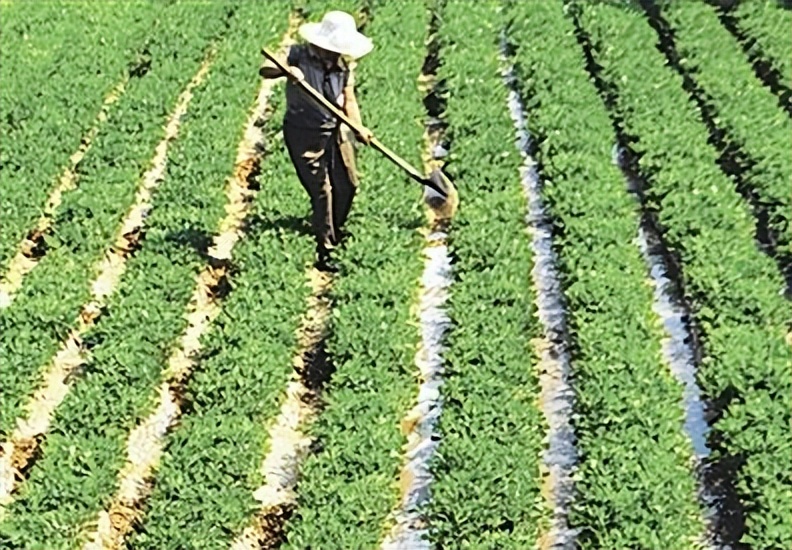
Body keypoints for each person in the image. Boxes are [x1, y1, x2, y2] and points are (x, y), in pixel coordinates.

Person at [259, 11, 374, 272]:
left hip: (335, 129)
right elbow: (265, 69)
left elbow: (349, 99)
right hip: (303, 131)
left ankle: (333, 226)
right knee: (322, 190)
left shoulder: (343, 67)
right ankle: (326, 248)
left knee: (348, 184)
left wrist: (358, 127)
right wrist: (288, 72)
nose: (335, 53)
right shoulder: (297, 54)